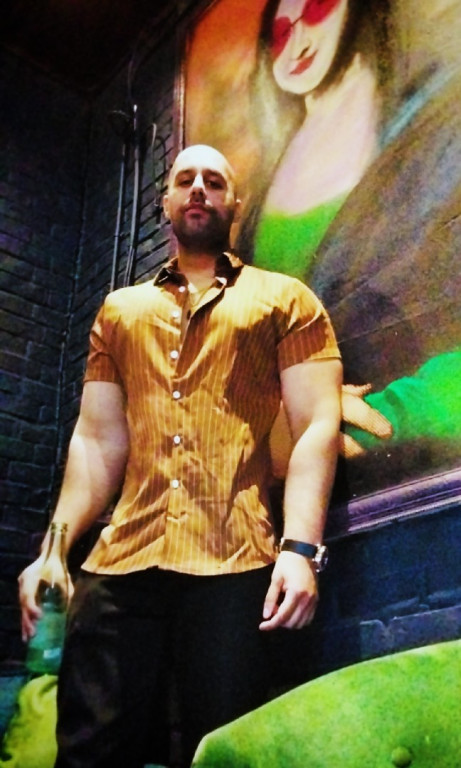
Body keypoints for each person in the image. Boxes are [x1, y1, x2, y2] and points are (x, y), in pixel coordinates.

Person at [18, 144, 342, 768]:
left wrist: (300, 550)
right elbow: (96, 439)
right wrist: (54, 550)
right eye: (185, 179)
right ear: (165, 201)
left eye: (214, 181)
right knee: (88, 751)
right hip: (121, 562)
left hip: (235, 562)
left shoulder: (286, 299)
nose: (198, 189)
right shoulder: (120, 310)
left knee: (222, 750)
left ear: (235, 205)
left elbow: (315, 426)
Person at [236, 0, 461, 493]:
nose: (297, 42)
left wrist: (393, 413)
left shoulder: (437, 125)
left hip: (405, 490)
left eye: (317, 9)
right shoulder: (256, 203)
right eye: (281, 31)